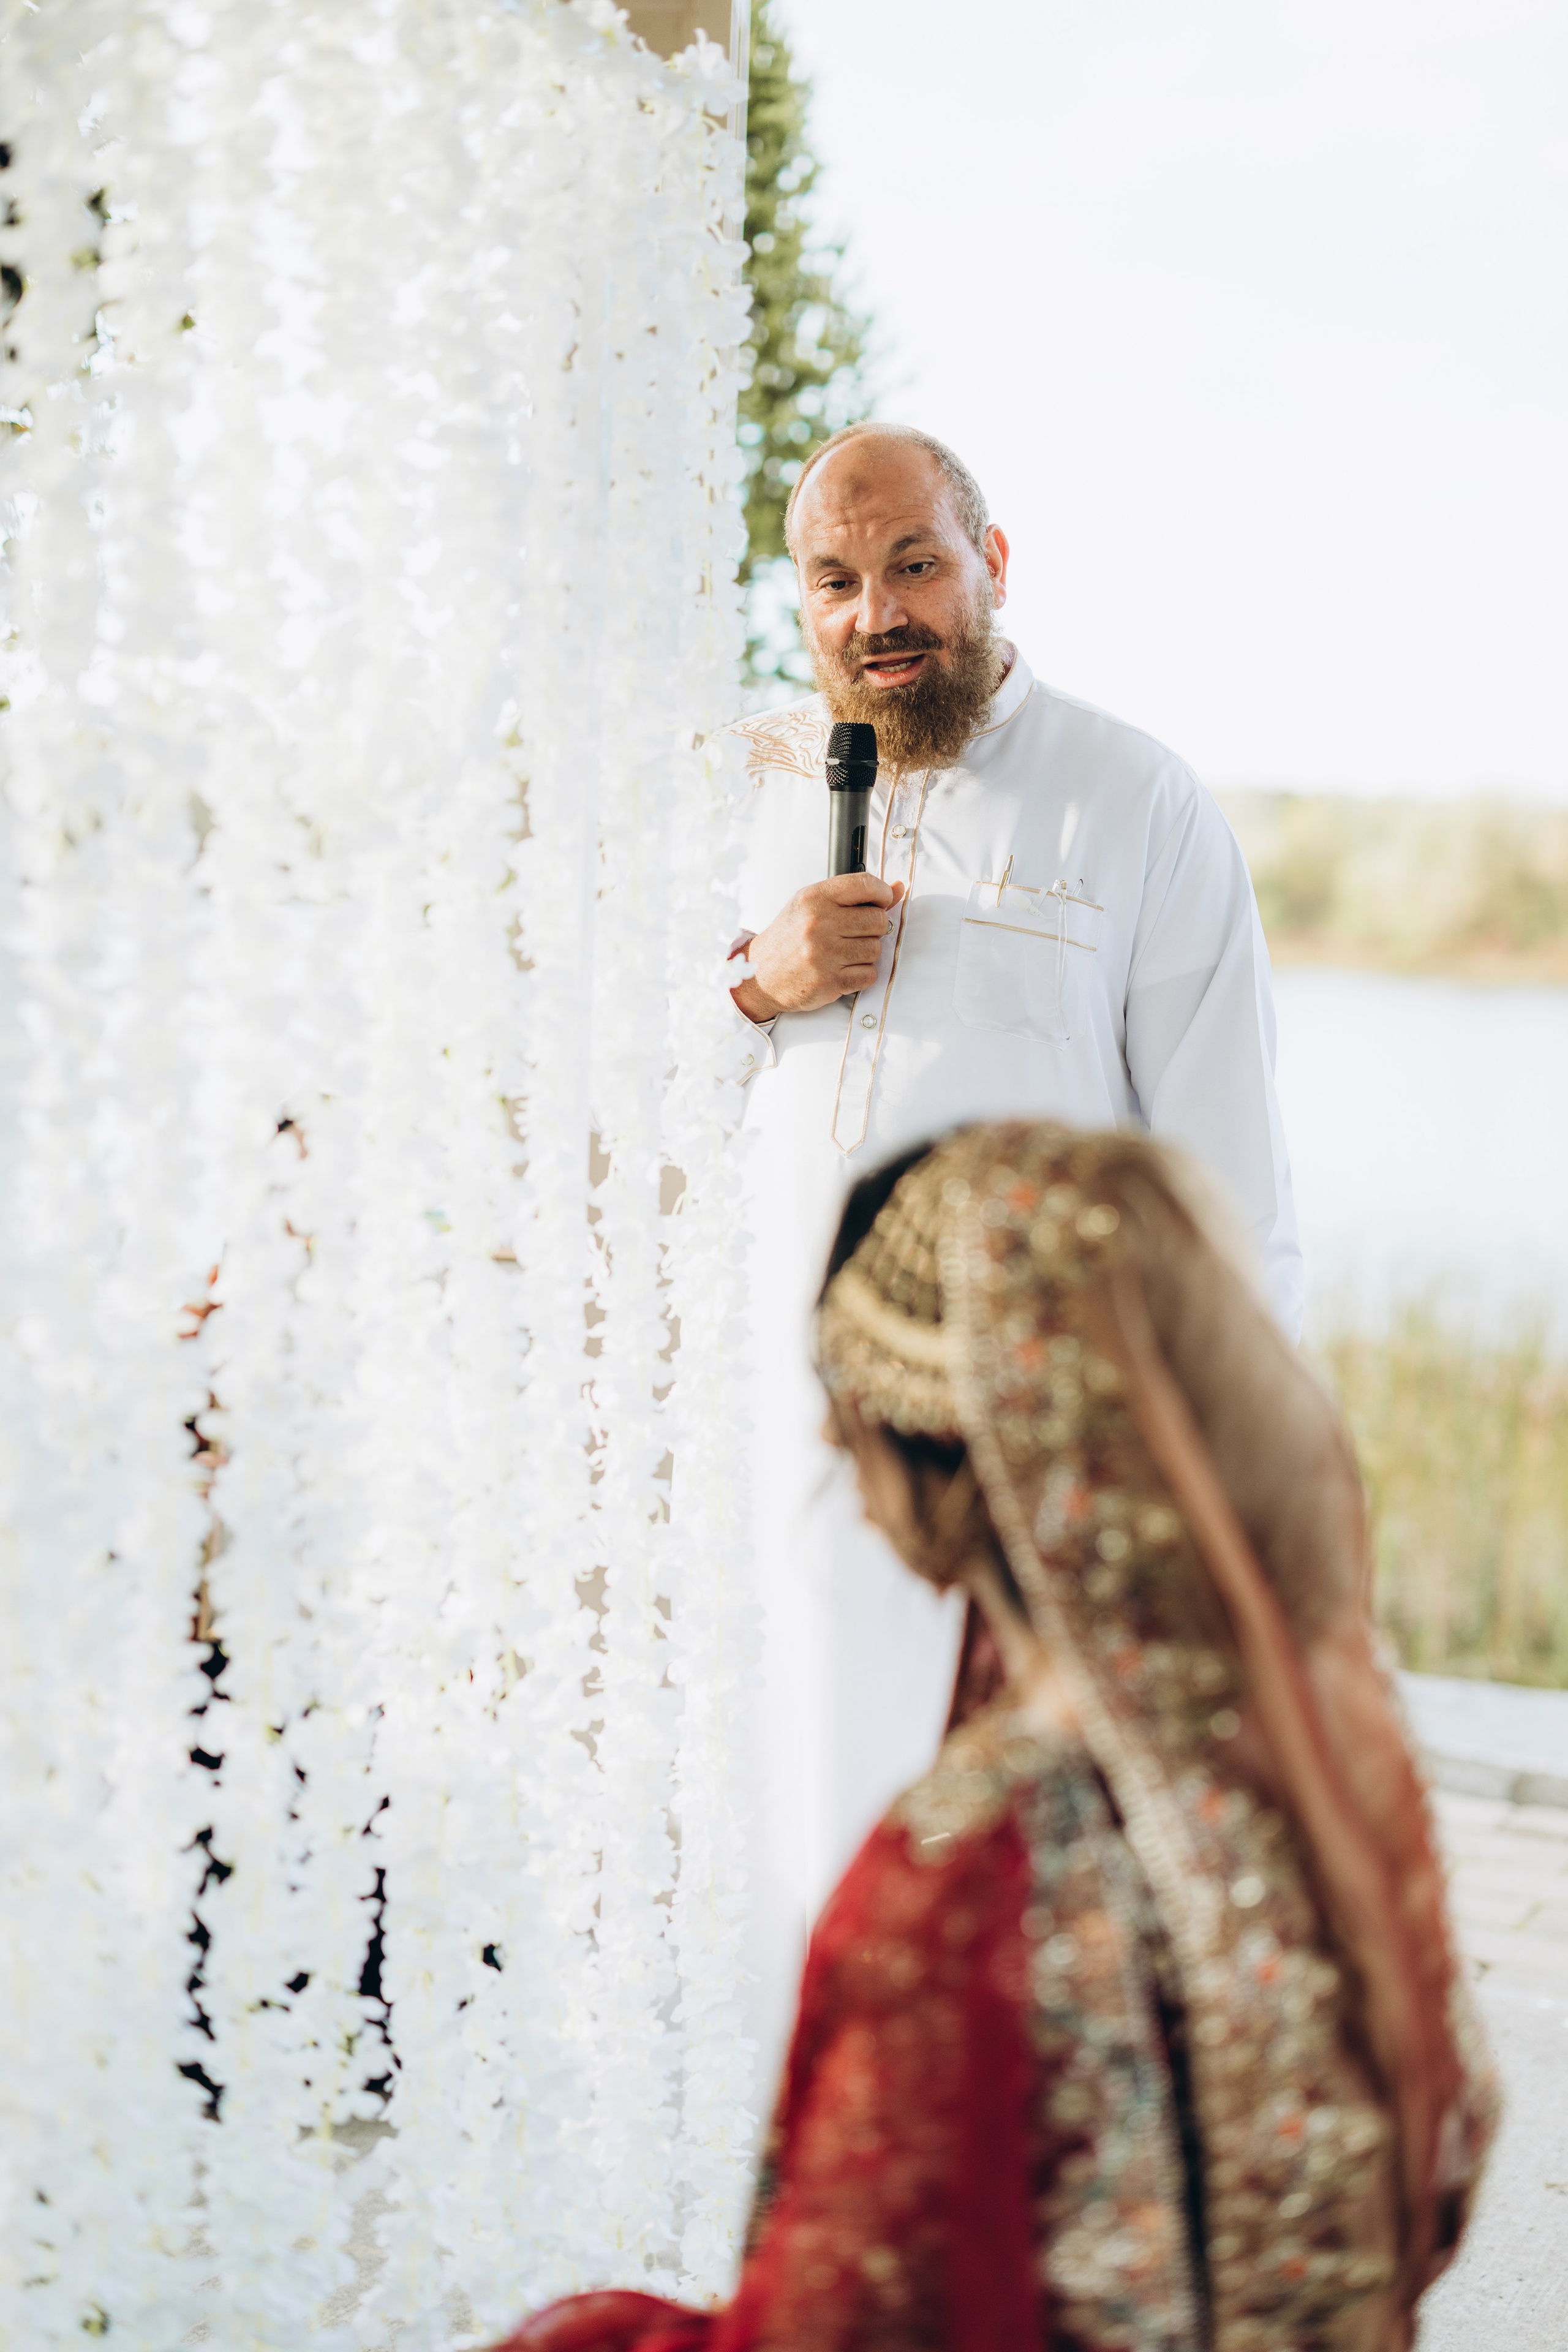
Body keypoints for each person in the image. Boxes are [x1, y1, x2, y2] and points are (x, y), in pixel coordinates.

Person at [493, 1123, 1497, 2352]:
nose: (829, 1441)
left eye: (843, 1392)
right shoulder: (1313, 1764)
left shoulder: (973, 1865)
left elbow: (837, 2327)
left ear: (949, 1437)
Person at [724, 423, 1305, 2070]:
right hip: (770, 1425)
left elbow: (1226, 1179)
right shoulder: (747, 785)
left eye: (912, 564)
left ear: (990, 562)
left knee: (1002, 1890)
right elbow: (597, 1083)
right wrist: (756, 980)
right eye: (835, 580)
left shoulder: (1132, 800)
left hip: (1021, 1451)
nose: (876, 614)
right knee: (779, 1852)